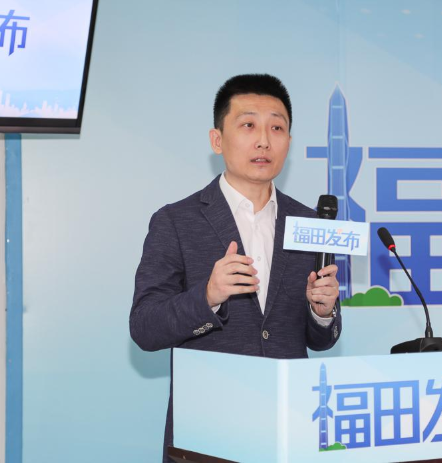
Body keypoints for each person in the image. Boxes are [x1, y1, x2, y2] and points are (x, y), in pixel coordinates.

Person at [129, 74, 342, 462]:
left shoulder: (310, 224)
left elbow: (319, 340)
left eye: (276, 128)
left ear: (288, 142)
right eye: (248, 125)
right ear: (217, 140)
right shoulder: (176, 221)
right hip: (208, 434)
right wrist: (208, 297)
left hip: (290, 431)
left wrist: (322, 312)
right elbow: (145, 327)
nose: (263, 141)